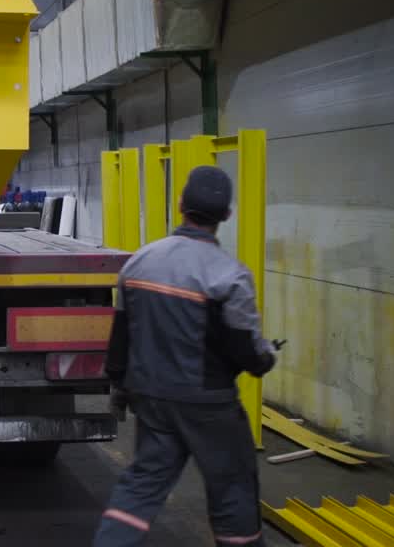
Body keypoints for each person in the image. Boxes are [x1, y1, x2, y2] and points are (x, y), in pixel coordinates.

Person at [93, 166, 277, 547]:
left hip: (151, 398)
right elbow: (247, 354)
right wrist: (268, 356)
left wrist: (119, 387)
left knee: (141, 485)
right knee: (233, 488)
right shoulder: (231, 276)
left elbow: (121, 338)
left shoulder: (140, 262)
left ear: (181, 205)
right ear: (226, 216)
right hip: (208, 405)